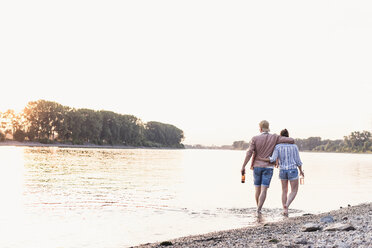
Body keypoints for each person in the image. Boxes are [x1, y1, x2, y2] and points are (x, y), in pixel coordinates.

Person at [241, 120, 295, 213]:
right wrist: (279, 139)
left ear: (261, 128)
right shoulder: (274, 137)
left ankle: (258, 210)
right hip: (268, 167)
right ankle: (259, 209)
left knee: (257, 189)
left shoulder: (255, 138)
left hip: (257, 166)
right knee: (264, 189)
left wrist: (243, 166)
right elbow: (292, 140)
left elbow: (249, 152)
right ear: (268, 128)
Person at [257, 129, 304, 216]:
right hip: (292, 170)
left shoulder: (278, 147)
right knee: (294, 191)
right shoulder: (294, 147)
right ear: (288, 136)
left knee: (284, 190)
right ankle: (287, 205)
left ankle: (284, 209)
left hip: (282, 170)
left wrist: (261, 158)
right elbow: (298, 161)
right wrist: (301, 171)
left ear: (280, 137)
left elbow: (273, 159)